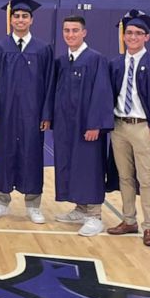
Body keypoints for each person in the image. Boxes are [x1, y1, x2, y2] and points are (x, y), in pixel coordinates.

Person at [106, 10, 150, 247]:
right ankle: (128, 220)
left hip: (142, 128)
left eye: (138, 33)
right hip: (119, 127)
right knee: (125, 177)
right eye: (129, 33)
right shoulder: (114, 64)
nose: (133, 37)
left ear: (147, 37)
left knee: (146, 179)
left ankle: (149, 227)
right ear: (123, 36)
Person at [0, 0, 54, 224]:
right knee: (3, 155)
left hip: (32, 115)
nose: (20, 20)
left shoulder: (43, 49)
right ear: (10, 19)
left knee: (32, 156)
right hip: (5, 114)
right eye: (16, 16)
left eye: (25, 16)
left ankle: (33, 205)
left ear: (31, 20)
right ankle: (1, 202)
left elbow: (50, 84)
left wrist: (46, 114)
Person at [53, 15, 115, 236]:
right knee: (70, 164)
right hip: (65, 125)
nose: (70, 35)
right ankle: (80, 208)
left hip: (87, 126)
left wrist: (95, 125)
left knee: (89, 168)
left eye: (75, 30)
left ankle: (94, 216)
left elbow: (102, 94)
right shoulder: (61, 61)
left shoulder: (96, 59)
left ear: (84, 32)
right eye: (67, 31)